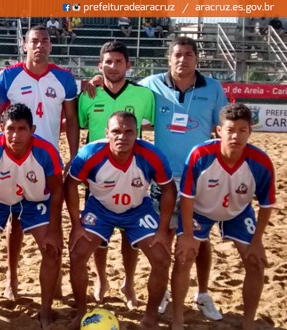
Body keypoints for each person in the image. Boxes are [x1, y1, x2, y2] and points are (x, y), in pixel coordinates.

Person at [86, 37, 229, 318]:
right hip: (159, 178)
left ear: (196, 58)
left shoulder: (212, 88)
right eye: (177, 54)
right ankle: (162, 291)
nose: (182, 60)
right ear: (168, 58)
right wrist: (96, 79)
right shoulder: (152, 86)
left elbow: (222, 128)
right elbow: (119, 84)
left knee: (199, 238)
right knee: (160, 235)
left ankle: (202, 293)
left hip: (197, 176)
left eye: (188, 54)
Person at [0, 25, 78, 300]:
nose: (40, 45)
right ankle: (11, 279)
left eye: (45, 41)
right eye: (34, 41)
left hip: (48, 162)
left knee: (55, 217)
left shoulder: (64, 78)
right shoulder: (8, 76)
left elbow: (72, 120)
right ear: (24, 45)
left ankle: (58, 278)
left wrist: (73, 155)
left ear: (51, 46)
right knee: (14, 221)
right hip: (13, 157)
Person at [65, 111, 175, 330]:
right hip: (101, 209)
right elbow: (69, 184)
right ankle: (81, 313)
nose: (122, 137)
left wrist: (163, 229)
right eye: (116, 131)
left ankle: (150, 318)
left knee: (162, 259)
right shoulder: (90, 153)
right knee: (77, 254)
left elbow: (169, 188)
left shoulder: (151, 155)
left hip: (137, 210)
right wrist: (76, 225)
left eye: (128, 132)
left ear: (137, 134)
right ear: (107, 133)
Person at [171, 103, 275, 330]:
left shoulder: (261, 162)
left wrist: (257, 242)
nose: (236, 135)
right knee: (184, 256)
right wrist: (188, 235)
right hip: (199, 209)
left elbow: (267, 205)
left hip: (238, 212)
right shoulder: (201, 154)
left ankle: (248, 323)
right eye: (230, 129)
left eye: (242, 130)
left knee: (256, 262)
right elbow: (187, 197)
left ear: (250, 131)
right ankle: (178, 319)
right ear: (219, 130)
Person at [0, 103, 64, 327]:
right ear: (1, 128)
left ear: (32, 129)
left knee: (52, 248)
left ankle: (45, 311)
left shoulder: (46, 152)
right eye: (10, 129)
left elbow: (57, 189)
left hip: (34, 200)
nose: (15, 135)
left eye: (21, 129)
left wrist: (55, 230)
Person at [78, 41, 155, 308]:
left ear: (128, 65)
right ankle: (101, 280)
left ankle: (129, 282)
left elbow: (153, 127)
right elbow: (80, 126)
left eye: (118, 61)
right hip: (97, 173)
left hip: (133, 170)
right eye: (107, 62)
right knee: (98, 232)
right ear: (100, 66)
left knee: (129, 231)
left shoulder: (144, 96)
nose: (113, 66)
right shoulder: (88, 94)